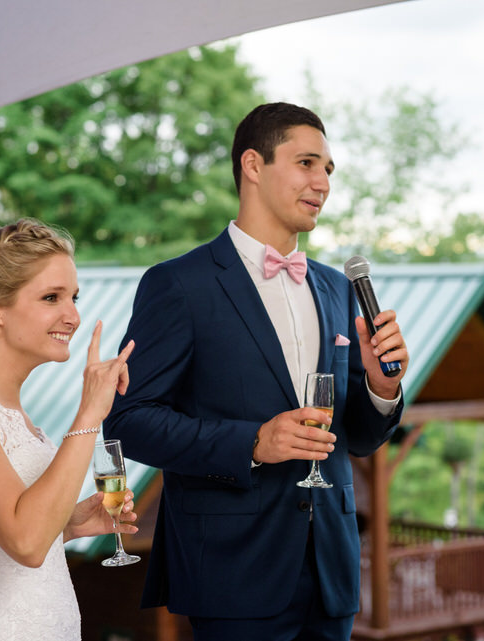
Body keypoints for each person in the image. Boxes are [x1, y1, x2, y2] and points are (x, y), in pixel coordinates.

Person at [105, 102, 409, 640]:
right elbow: (129, 422)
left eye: (329, 170)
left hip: (331, 571)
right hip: (232, 572)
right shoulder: (178, 285)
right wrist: (253, 442)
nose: (323, 182)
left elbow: (356, 439)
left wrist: (383, 389)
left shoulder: (337, 289)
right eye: (307, 163)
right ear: (253, 164)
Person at [0, 219, 137, 641]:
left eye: (74, 297)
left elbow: (9, 534)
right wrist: (89, 412)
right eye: (51, 297)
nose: (72, 315)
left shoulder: (12, 410)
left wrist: (69, 524)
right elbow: (25, 542)